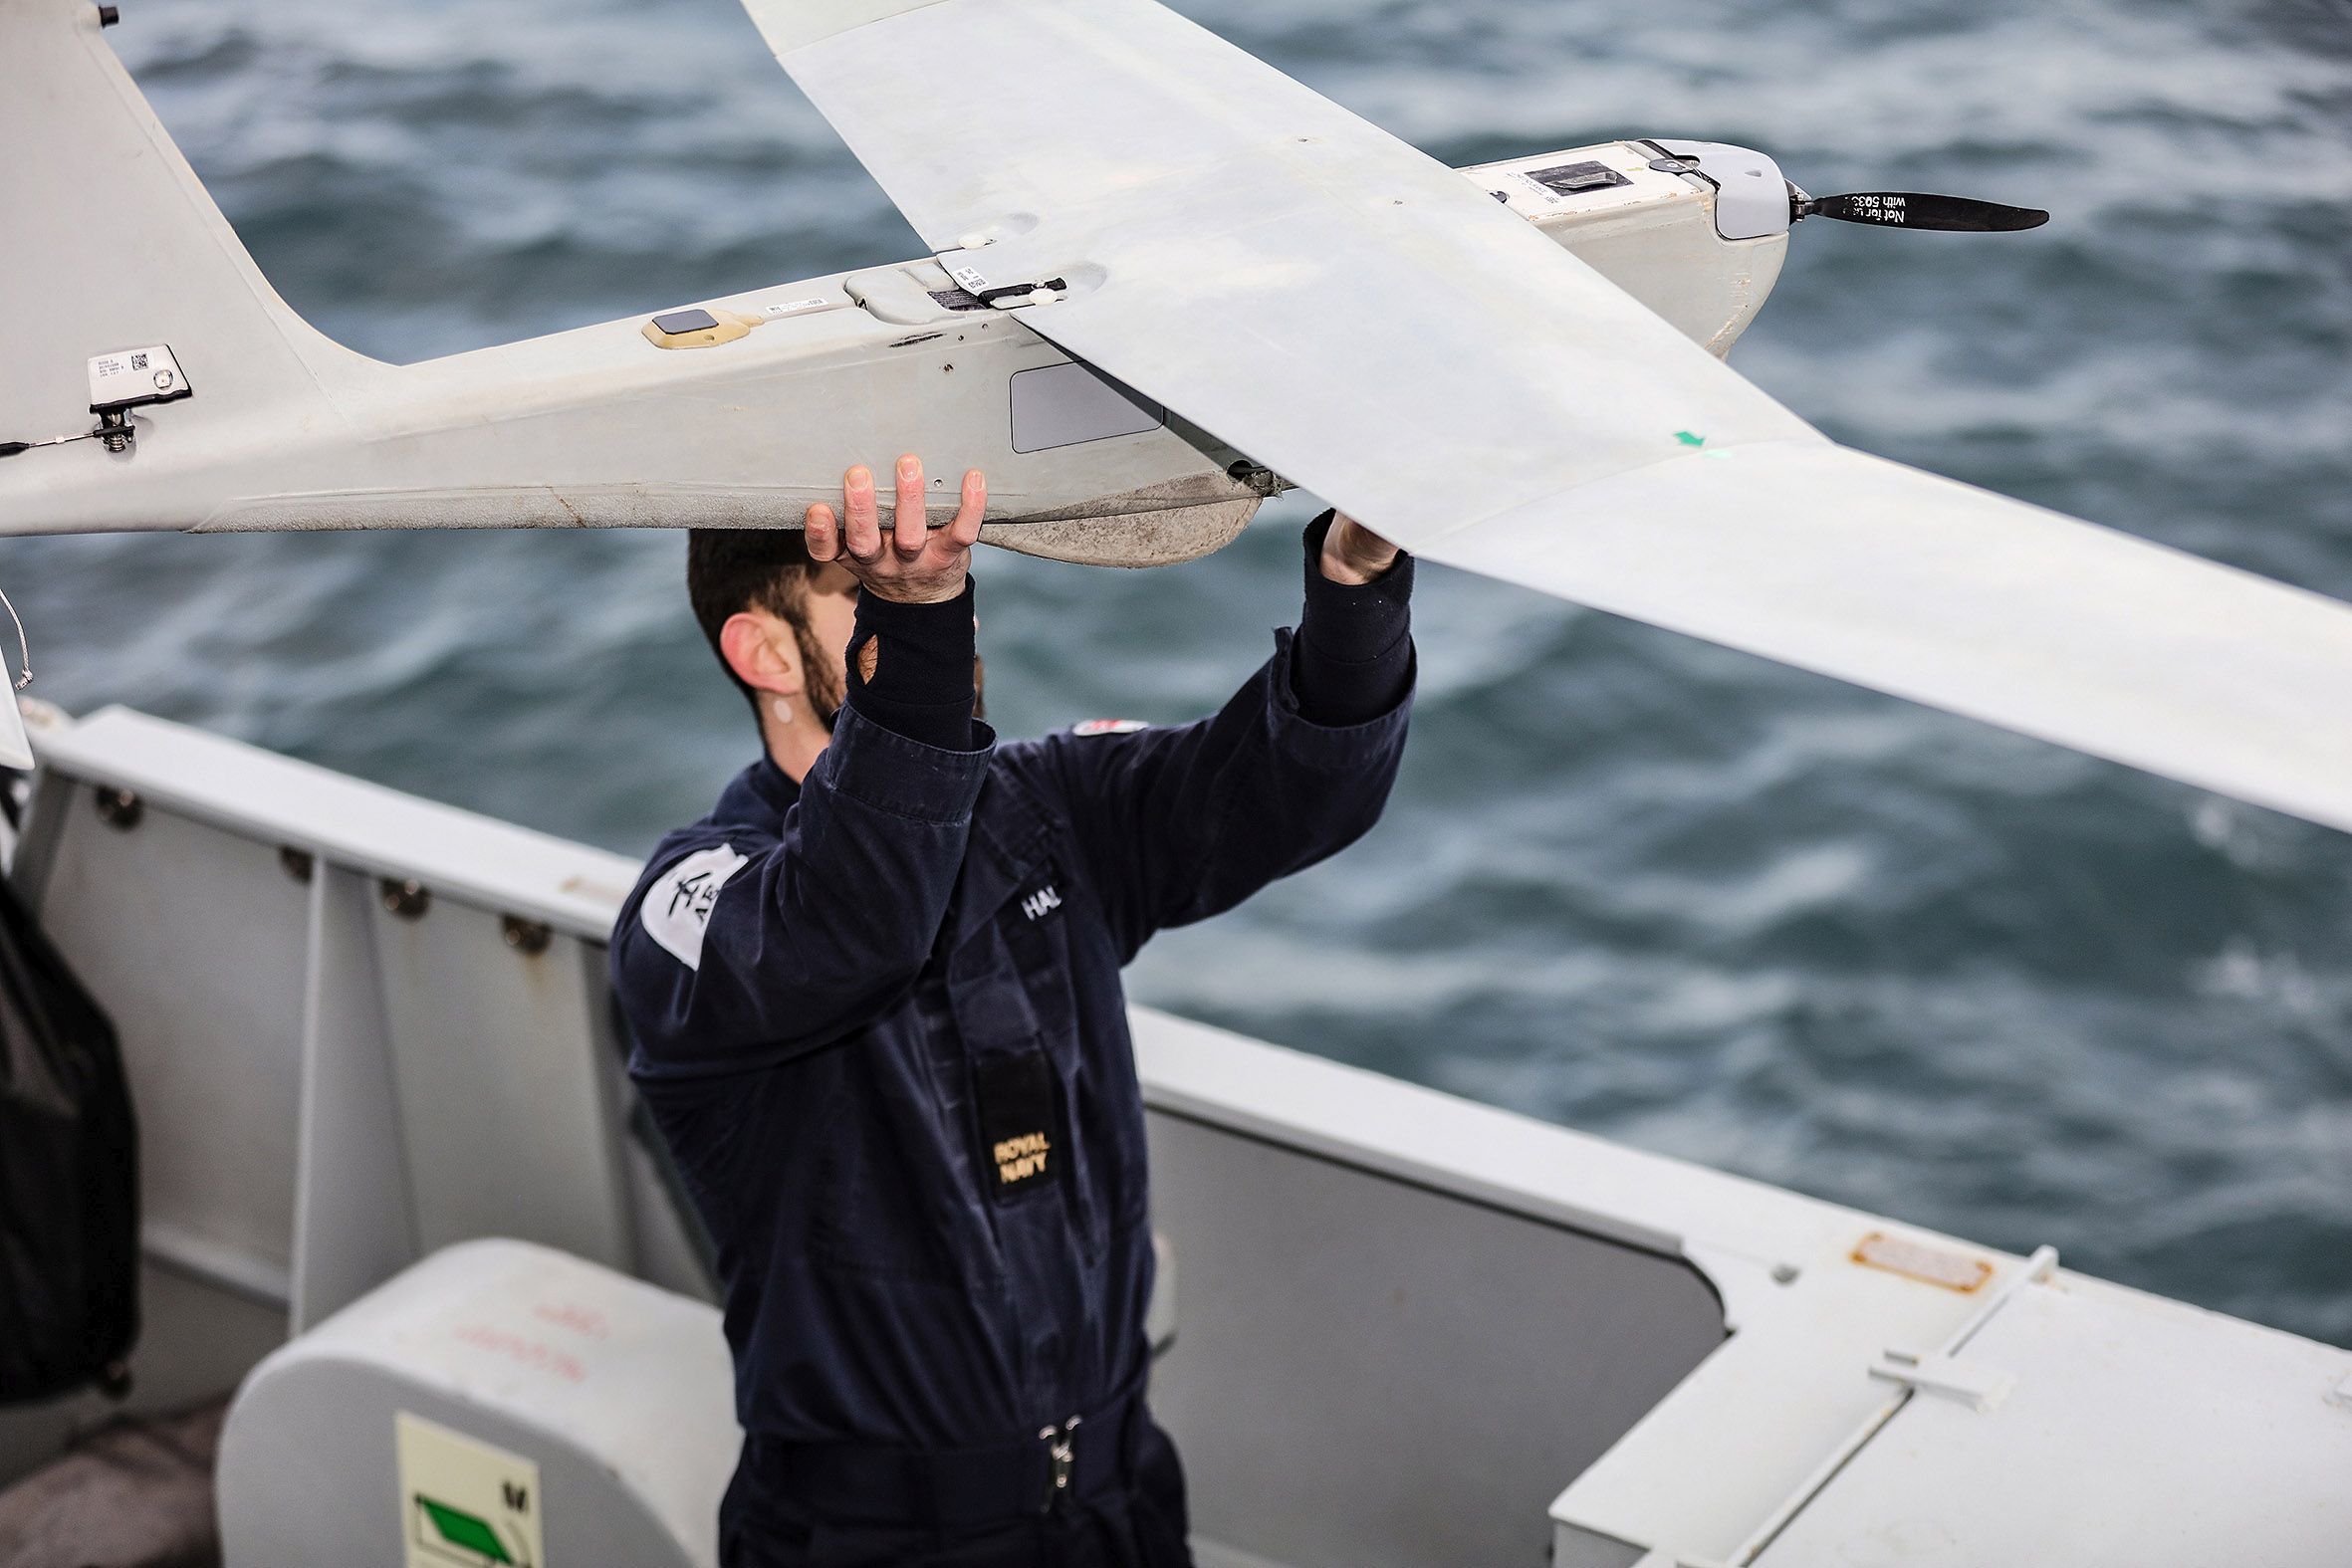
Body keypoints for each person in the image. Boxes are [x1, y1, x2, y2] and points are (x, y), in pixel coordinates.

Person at [610, 455, 1415, 1567]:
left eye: (943, 570)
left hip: (1116, 1502)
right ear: (763, 651)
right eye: (872, 588)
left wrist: (1355, 580)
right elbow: (859, 914)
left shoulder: (1049, 812)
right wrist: (922, 629)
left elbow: (1285, 785)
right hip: (869, 1539)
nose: (942, 596)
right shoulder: (690, 911)